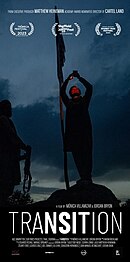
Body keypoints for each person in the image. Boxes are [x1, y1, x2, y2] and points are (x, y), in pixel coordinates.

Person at [60, 71, 93, 184]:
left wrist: (79, 78)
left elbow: (89, 88)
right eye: (72, 89)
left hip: (84, 132)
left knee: (86, 154)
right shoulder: (69, 104)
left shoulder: (84, 101)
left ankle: (87, 176)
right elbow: (62, 92)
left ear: (79, 92)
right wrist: (68, 79)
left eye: (76, 88)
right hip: (73, 134)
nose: (74, 89)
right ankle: (83, 176)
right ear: (70, 93)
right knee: (77, 156)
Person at [0, 99, 31, 205]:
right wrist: (24, 146)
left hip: (9, 157)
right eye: (8, 108)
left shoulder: (6, 120)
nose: (10, 110)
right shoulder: (3, 120)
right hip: (5, 158)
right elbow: (12, 135)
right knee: (6, 185)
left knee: (7, 186)